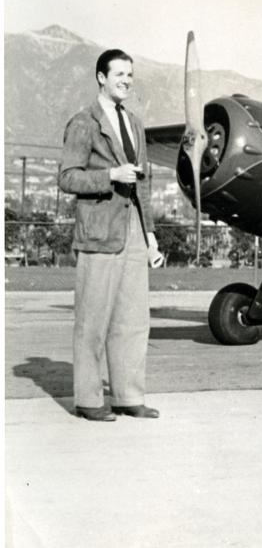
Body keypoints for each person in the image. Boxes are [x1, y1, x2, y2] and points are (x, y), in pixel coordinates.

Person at [59, 49, 163, 422]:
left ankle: (127, 396)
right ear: (101, 77)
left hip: (132, 231)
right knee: (92, 320)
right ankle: (88, 400)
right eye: (118, 73)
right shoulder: (84, 122)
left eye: (130, 74)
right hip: (99, 232)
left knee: (133, 320)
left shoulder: (134, 123)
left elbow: (144, 185)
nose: (126, 80)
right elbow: (67, 177)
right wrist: (110, 177)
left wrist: (150, 235)